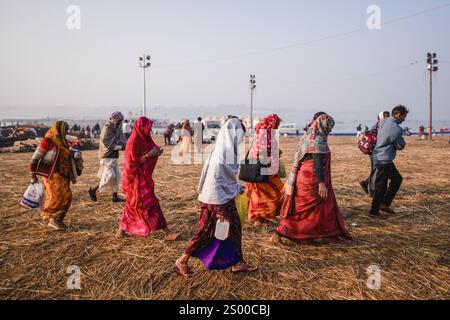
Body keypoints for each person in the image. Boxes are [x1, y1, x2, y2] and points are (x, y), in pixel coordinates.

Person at [174, 118, 258, 276]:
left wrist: (235, 187)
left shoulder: (221, 148)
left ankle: (238, 262)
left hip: (214, 196)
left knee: (222, 229)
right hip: (218, 199)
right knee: (211, 231)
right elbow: (220, 179)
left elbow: (223, 178)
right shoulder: (224, 153)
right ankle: (182, 260)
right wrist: (237, 188)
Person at [271, 112, 352, 244]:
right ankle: (281, 231)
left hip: (303, 178)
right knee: (307, 211)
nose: (330, 130)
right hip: (312, 180)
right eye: (329, 126)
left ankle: (326, 234)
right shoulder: (318, 140)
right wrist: (321, 183)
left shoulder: (307, 136)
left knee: (312, 209)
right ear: (323, 125)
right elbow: (317, 164)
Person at [116, 116, 181, 240]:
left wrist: (155, 152)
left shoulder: (144, 138)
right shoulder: (133, 140)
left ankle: (121, 230)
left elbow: (150, 149)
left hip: (143, 178)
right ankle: (167, 233)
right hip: (136, 179)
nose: (150, 131)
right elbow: (131, 163)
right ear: (141, 127)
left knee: (132, 204)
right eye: (148, 128)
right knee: (151, 203)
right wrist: (148, 156)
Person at [29, 121, 82, 230]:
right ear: (58, 130)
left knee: (66, 197)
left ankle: (57, 220)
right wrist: (33, 176)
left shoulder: (63, 142)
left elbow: (64, 155)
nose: (66, 132)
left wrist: (74, 155)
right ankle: (53, 220)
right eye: (65, 130)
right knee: (57, 198)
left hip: (63, 174)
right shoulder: (47, 142)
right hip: (51, 175)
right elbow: (34, 159)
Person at [368, 105, 408, 219]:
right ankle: (374, 211)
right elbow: (401, 146)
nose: (404, 119)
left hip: (377, 156)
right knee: (383, 185)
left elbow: (372, 131)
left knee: (388, 182)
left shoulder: (382, 121)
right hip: (384, 159)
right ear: (399, 114)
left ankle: (383, 204)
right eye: (404, 116)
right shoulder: (396, 128)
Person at [246, 114, 285, 225]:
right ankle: (260, 217)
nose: (277, 127)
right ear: (271, 124)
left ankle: (265, 216)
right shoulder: (264, 134)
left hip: (260, 169)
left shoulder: (263, 133)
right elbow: (263, 152)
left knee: (261, 194)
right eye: (277, 124)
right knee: (274, 192)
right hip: (264, 170)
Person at [88, 112, 127, 203]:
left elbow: (122, 139)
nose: (119, 123)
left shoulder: (117, 128)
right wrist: (121, 147)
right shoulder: (107, 128)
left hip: (113, 156)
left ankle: (115, 197)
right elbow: (106, 143)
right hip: (106, 155)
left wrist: (127, 145)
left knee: (117, 176)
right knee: (110, 176)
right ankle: (93, 190)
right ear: (114, 119)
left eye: (121, 121)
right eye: (119, 121)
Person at [359, 111, 390, 194]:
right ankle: (373, 190)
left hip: (377, 151)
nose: (388, 117)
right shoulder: (380, 125)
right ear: (381, 117)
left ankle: (366, 183)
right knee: (376, 170)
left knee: (376, 170)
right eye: (386, 116)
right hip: (375, 151)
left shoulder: (377, 125)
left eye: (388, 116)